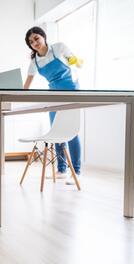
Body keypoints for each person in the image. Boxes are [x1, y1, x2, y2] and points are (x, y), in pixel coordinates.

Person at [23, 26, 82, 185]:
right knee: (57, 132)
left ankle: (76, 171)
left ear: (43, 36)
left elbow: (74, 61)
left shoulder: (59, 47)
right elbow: (26, 85)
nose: (34, 42)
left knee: (71, 132)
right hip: (54, 96)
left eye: (36, 38)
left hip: (71, 91)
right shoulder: (34, 61)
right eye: (31, 42)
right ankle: (61, 170)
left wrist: (77, 61)